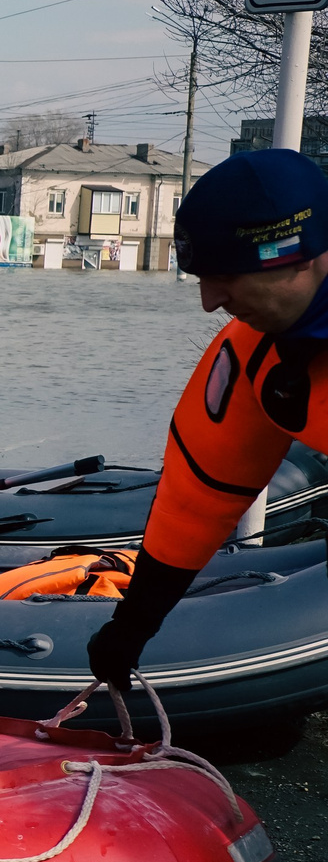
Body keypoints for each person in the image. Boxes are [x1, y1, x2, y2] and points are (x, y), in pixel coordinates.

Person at [90, 149, 328, 699]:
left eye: (225, 277)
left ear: (298, 256)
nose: (208, 302)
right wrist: (133, 626)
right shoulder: (251, 356)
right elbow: (196, 502)